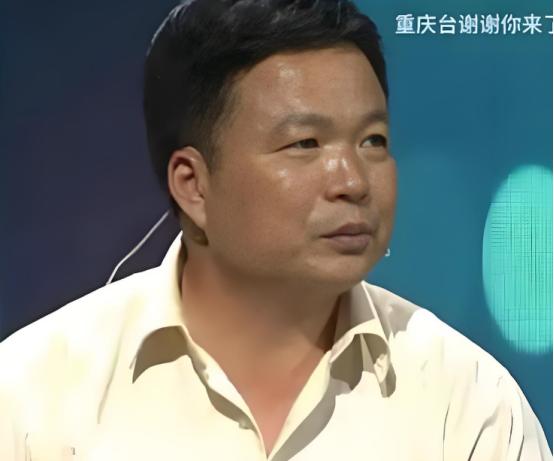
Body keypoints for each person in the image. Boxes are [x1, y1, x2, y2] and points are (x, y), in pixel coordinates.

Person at [0, 0, 551, 459]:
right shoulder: (33, 399)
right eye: (305, 144)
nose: (353, 181)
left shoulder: (468, 402)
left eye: (373, 141)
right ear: (193, 185)